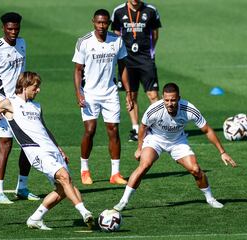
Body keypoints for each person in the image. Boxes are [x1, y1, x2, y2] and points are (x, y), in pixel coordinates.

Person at [0, 72, 95, 230]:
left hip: (52, 151)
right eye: (35, 87)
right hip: (36, 152)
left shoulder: (37, 106)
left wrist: (59, 149)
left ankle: (35, 218)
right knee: (64, 177)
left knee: (65, 189)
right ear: (25, 86)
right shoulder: (9, 103)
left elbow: (45, 130)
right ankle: (85, 213)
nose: (38, 90)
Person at [112, 83, 237, 212]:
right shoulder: (154, 110)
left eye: (173, 100)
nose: (170, 103)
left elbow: (207, 130)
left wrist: (222, 152)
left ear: (179, 98)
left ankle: (210, 199)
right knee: (144, 166)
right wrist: (139, 148)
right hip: (155, 139)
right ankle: (123, 201)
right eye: (166, 100)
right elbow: (143, 127)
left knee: (195, 169)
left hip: (178, 141)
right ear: (162, 98)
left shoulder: (189, 109)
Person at [0, 12, 39, 204]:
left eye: (16, 28)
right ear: (3, 28)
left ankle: (22, 187)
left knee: (28, 144)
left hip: (21, 102)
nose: (13, 32)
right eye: (10, 29)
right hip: (2, 103)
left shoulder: (22, 43)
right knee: (5, 145)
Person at [72, 9, 133, 185]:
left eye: (105, 23)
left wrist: (128, 92)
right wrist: (79, 93)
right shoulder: (84, 42)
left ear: (109, 23)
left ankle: (115, 173)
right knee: (90, 130)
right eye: (98, 22)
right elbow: (77, 70)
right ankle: (84, 170)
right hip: (90, 93)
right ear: (93, 22)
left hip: (110, 92)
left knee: (113, 130)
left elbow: (123, 68)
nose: (101, 26)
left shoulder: (117, 41)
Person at [111, 0, 162, 142]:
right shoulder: (118, 11)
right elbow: (116, 35)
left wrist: (149, 51)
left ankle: (158, 128)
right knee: (131, 95)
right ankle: (135, 129)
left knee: (153, 94)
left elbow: (155, 34)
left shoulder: (151, 10)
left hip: (145, 59)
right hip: (126, 60)